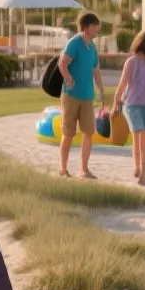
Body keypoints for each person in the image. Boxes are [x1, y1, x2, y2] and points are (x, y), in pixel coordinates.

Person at [108, 29, 145, 186]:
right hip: (132, 105)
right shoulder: (131, 63)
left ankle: (138, 166)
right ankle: (142, 174)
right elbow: (121, 86)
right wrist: (115, 105)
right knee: (138, 137)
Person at [57, 12, 106, 179]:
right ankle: (63, 169)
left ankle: (83, 169)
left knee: (89, 132)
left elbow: (96, 70)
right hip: (71, 95)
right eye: (94, 26)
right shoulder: (75, 43)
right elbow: (62, 63)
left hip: (87, 96)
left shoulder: (92, 47)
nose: (97, 29)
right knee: (68, 133)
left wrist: (101, 88)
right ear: (86, 27)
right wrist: (69, 78)